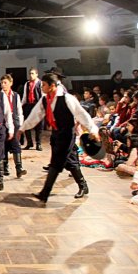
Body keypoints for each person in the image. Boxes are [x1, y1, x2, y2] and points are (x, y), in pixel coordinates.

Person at [17, 73, 99, 204]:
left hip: (67, 134)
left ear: (52, 86)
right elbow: (35, 115)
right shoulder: (45, 99)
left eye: (44, 85)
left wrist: (93, 130)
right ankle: (83, 185)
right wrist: (23, 128)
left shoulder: (67, 98)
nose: (41, 87)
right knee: (70, 161)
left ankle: (45, 193)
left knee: (56, 162)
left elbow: (81, 114)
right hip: (56, 133)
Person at [0, 74, 27, 178]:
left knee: (16, 144)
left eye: (5, 83)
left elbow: (19, 111)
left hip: (14, 122)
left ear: (11, 83)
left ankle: (19, 168)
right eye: (2, 83)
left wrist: (21, 125)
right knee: (4, 145)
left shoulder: (15, 95)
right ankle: (5, 166)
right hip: (2, 122)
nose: (3, 85)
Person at [21, 68, 43, 151]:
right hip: (29, 105)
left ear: (37, 74)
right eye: (30, 73)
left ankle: (38, 143)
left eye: (33, 73)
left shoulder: (40, 83)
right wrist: (21, 105)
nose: (31, 75)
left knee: (38, 126)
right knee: (27, 124)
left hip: (37, 105)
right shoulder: (27, 84)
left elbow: (43, 96)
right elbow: (24, 96)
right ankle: (29, 143)